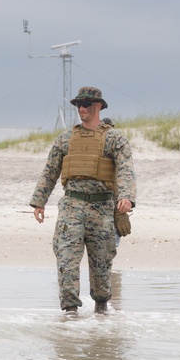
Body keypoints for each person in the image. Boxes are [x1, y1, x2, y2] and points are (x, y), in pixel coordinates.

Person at [29, 86, 136, 315]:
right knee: (66, 259)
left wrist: (126, 197)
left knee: (101, 265)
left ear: (98, 106)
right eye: (78, 104)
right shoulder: (65, 139)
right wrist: (39, 201)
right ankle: (69, 314)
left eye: (86, 104)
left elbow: (126, 170)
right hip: (72, 206)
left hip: (102, 207)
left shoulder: (114, 139)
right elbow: (50, 171)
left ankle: (101, 310)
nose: (81, 108)